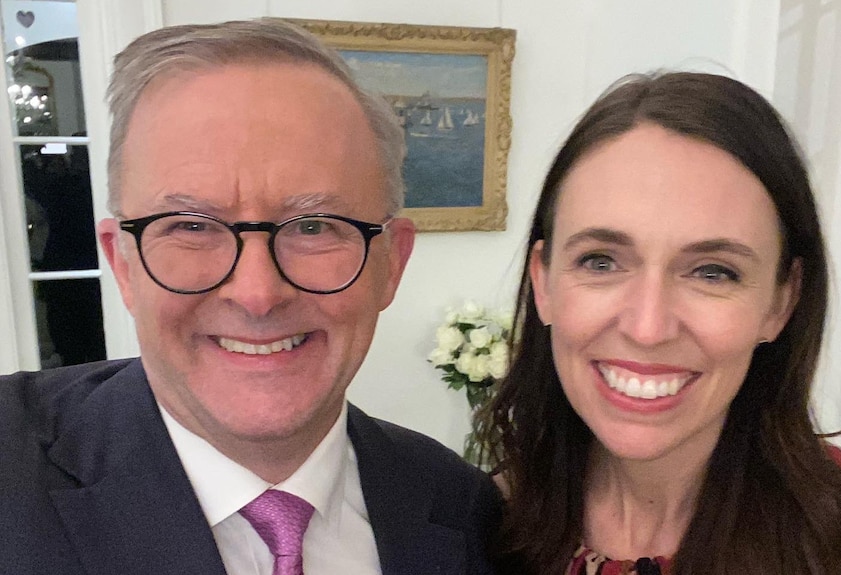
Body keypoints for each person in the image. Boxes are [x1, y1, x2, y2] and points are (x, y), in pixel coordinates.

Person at [0, 18, 501, 575]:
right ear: (123, 263)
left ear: (391, 263)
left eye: (313, 226)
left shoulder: (466, 511)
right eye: (191, 226)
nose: (257, 293)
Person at [476, 71, 841, 575]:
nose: (648, 327)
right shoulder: (476, 525)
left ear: (780, 303)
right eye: (601, 261)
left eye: (713, 272)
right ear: (543, 283)